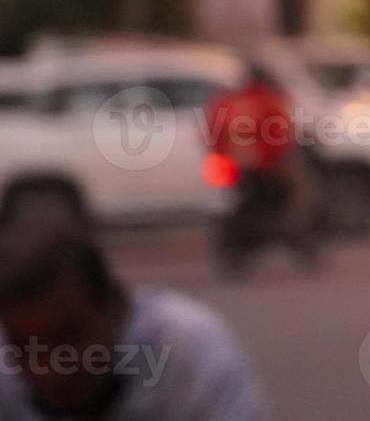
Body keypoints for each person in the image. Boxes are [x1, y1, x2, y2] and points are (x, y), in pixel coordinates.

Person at [0, 214, 269, 420]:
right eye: (23, 346)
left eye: (67, 338)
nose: (49, 369)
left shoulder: (185, 346)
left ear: (115, 311)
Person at [205, 68, 320, 275]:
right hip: (264, 168)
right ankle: (289, 233)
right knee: (299, 194)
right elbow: (281, 137)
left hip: (234, 168)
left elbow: (212, 135)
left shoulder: (227, 103)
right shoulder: (268, 102)